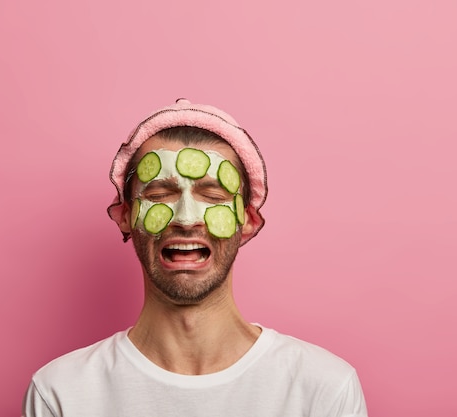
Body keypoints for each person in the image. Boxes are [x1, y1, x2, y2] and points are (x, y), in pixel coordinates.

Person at [22, 99, 368, 417]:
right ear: (125, 215)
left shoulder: (324, 389)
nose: (186, 218)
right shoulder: (61, 393)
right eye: (159, 194)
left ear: (247, 220)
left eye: (213, 196)